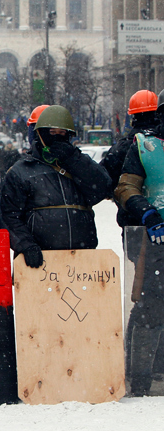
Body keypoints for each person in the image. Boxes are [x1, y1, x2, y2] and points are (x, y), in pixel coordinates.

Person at [0, 105, 111, 268]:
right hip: (39, 263)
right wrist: (26, 245)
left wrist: (74, 159)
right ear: (38, 133)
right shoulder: (20, 171)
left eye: (62, 133)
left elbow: (102, 187)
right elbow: (8, 215)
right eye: (52, 133)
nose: (57, 138)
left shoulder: (78, 165)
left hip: (82, 262)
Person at [114, 90, 164, 396]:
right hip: (155, 238)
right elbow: (125, 187)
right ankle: (141, 378)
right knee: (149, 308)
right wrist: (146, 211)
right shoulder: (144, 146)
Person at [101, 90, 159, 231]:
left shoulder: (121, 148)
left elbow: (103, 182)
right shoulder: (159, 144)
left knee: (136, 253)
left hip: (132, 221)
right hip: (160, 217)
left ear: (133, 116)